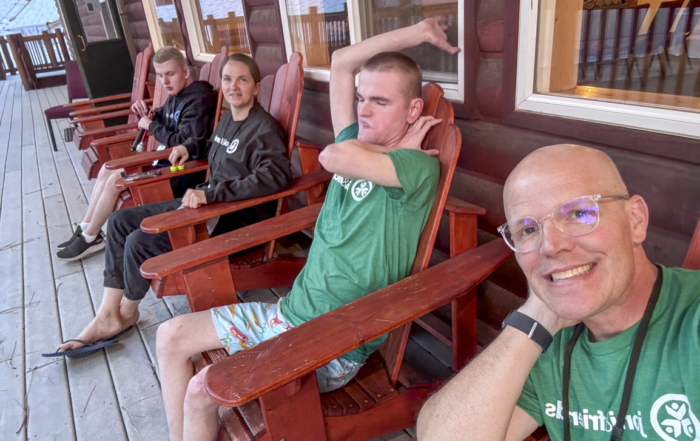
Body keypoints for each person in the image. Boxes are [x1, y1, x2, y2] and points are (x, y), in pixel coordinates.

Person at [153, 18, 460, 441]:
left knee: (201, 390)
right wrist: (420, 33)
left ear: (413, 111)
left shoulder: (416, 166)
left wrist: (387, 147)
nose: (364, 110)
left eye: (380, 102)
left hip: (328, 345)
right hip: (287, 315)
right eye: (361, 99)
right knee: (169, 335)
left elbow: (332, 157)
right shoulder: (362, 141)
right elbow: (341, 62)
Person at [416, 144, 700, 441]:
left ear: (635, 221)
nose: (550, 246)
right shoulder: (545, 343)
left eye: (578, 213)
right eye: (527, 230)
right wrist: (535, 316)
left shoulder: (690, 323)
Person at [50, 54, 292, 358]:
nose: (233, 86)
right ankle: (109, 313)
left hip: (229, 221)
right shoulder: (229, 120)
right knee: (120, 222)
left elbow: (276, 177)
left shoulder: (264, 129)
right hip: (202, 203)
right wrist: (186, 147)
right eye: (228, 79)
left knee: (140, 241)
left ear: (256, 87)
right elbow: (209, 145)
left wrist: (214, 195)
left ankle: (125, 312)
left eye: (242, 79)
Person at [56, 46, 218, 262]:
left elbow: (188, 144)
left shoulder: (199, 98)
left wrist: (151, 126)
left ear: (186, 72)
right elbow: (160, 116)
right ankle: (86, 228)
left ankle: (91, 236)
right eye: (160, 76)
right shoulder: (175, 96)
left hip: (181, 172)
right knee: (108, 168)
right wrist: (145, 111)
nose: (165, 81)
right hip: (163, 164)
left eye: (170, 74)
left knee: (116, 180)